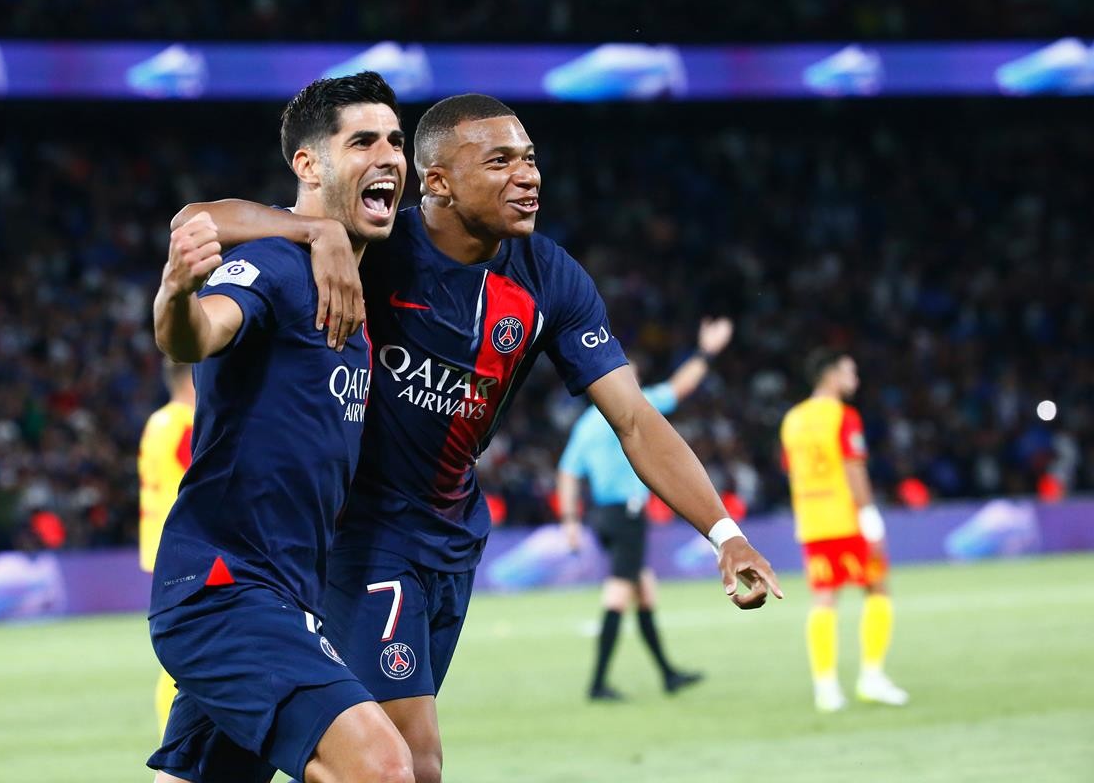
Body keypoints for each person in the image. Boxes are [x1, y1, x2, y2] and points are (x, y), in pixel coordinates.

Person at [174, 93, 782, 783]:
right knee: (407, 761)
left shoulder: (549, 278)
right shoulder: (374, 243)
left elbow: (635, 419)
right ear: (437, 182)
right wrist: (317, 234)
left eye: (530, 159)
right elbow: (202, 219)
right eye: (500, 162)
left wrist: (724, 533)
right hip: (361, 536)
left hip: (452, 540)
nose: (528, 176)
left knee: (224, 769)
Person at [147, 71, 415, 783]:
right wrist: (176, 294)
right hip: (226, 590)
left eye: (396, 141)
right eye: (363, 141)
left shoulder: (350, 293)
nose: (389, 156)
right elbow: (198, 332)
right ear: (308, 164)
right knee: (384, 768)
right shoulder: (274, 264)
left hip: (285, 594)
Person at [557, 317, 734, 701]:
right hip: (626, 515)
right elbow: (681, 386)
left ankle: (668, 674)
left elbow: (568, 471)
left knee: (645, 590)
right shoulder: (631, 408)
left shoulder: (587, 423)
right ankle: (597, 684)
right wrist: (707, 352)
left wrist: (570, 520)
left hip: (603, 516)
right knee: (619, 592)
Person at [780, 349, 909, 712]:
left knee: (824, 599)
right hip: (846, 518)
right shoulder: (844, 416)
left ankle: (826, 688)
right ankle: (871, 677)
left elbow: (792, 472)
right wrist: (870, 518)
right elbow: (854, 469)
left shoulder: (792, 419)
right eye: (850, 372)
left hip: (812, 521)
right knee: (877, 588)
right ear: (831, 375)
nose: (855, 379)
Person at [137, 359, 195, 738]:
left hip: (159, 541)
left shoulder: (157, 422)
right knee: (185, 649)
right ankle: (173, 735)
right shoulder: (187, 424)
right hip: (185, 547)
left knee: (180, 644)